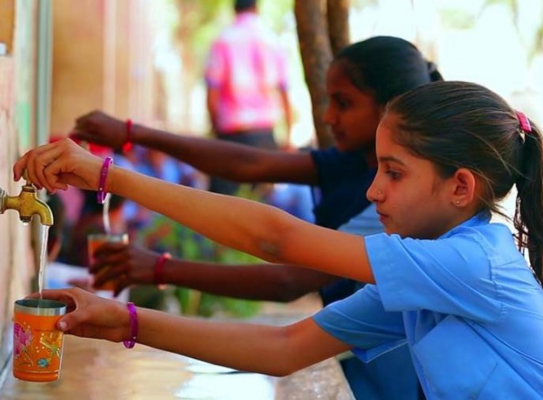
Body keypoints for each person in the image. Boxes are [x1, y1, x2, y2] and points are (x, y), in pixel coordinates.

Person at [15, 80, 543, 398]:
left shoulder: (472, 261)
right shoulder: (421, 277)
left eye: (394, 173)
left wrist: (109, 176)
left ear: (460, 187)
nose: (373, 191)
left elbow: (276, 240)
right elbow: (284, 348)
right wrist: (126, 322)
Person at [72, 36, 441, 399]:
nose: (328, 117)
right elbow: (250, 165)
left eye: (343, 103)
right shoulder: (356, 166)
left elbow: (284, 267)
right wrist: (133, 135)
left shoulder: (399, 214)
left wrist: (157, 267)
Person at [203, 0, 292, 195]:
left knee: (222, 203)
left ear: (234, 8)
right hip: (265, 137)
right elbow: (285, 92)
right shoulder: (273, 41)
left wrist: (216, 130)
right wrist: (288, 137)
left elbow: (212, 94)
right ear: (256, 7)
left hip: (231, 136)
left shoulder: (223, 41)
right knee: (261, 203)